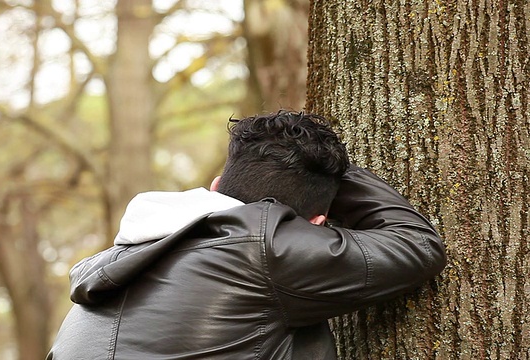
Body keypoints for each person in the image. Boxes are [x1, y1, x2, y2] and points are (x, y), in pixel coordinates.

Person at [47, 111, 446, 359]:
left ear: (216, 186)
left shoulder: (120, 261)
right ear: (319, 225)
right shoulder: (266, 248)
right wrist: (330, 167)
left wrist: (277, 155)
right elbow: (417, 244)